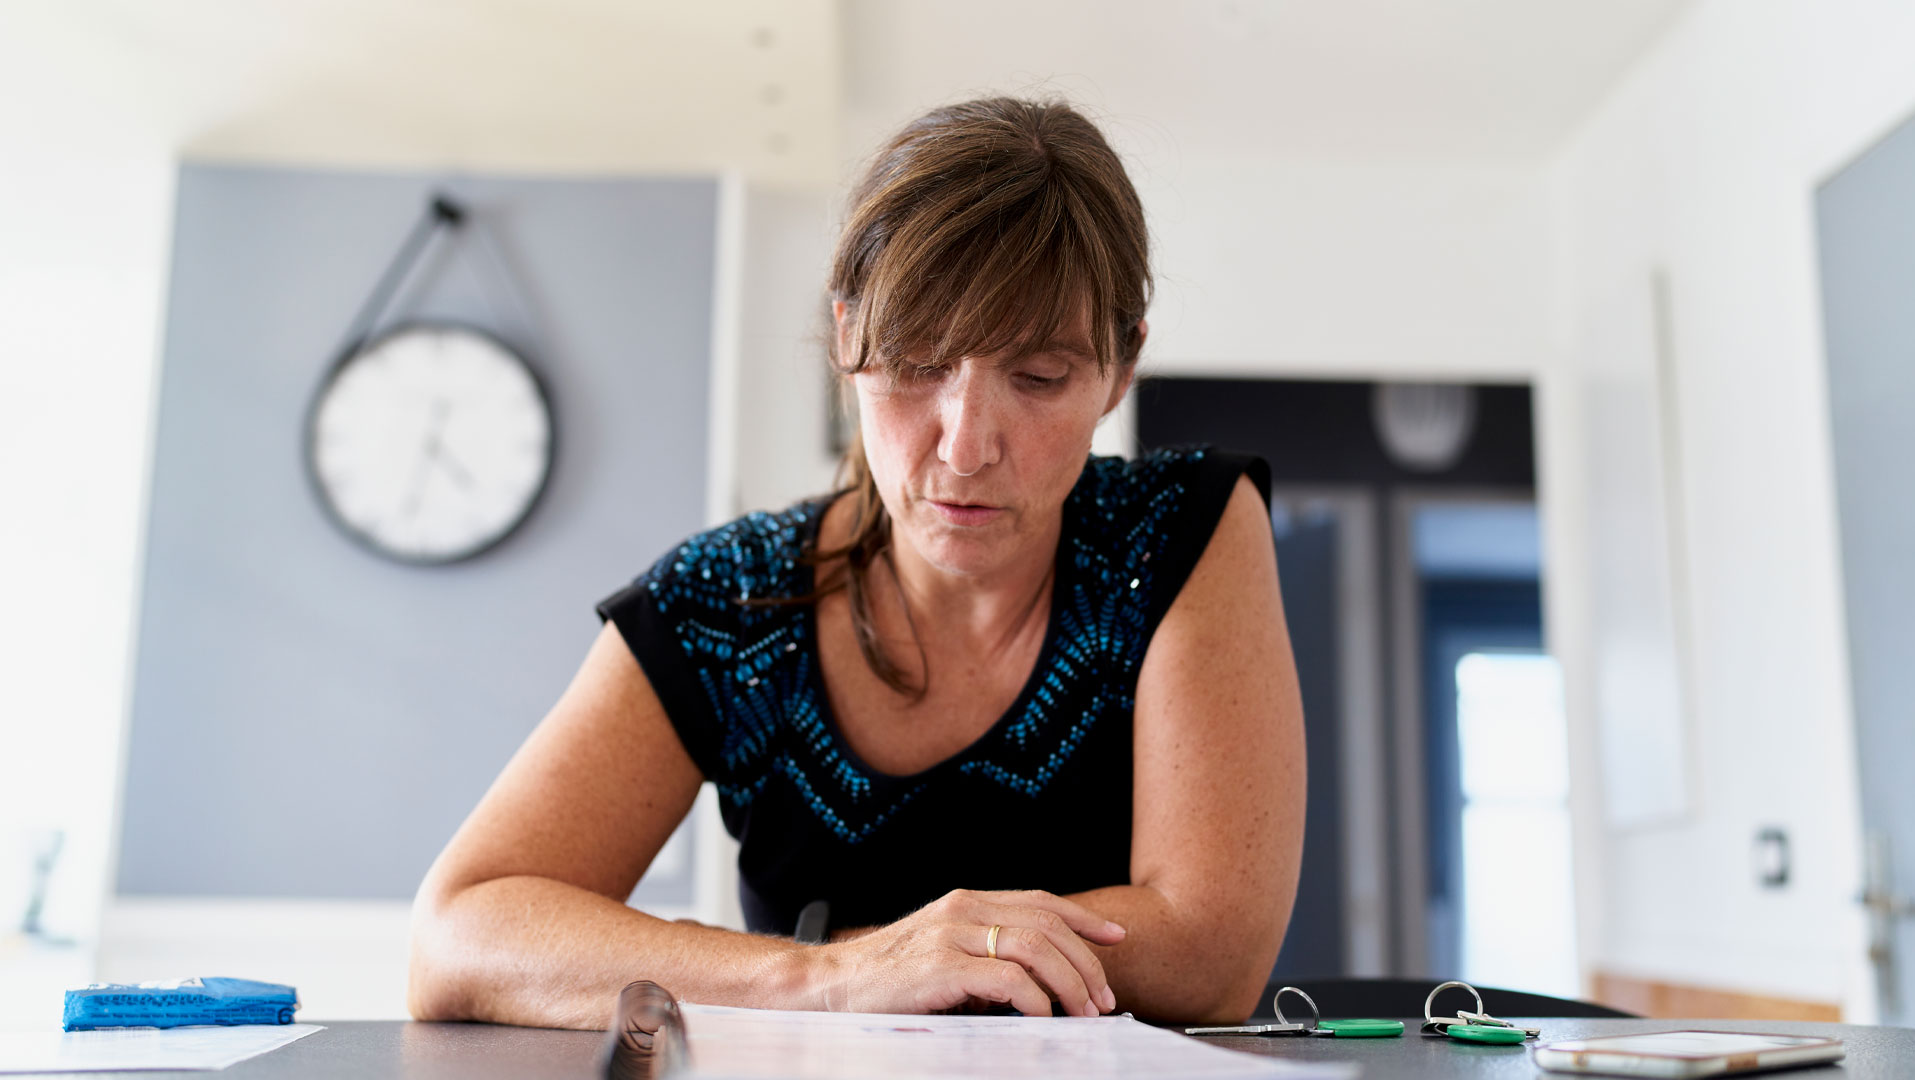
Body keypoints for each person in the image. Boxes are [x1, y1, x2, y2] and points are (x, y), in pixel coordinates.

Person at [407, 96, 1306, 1029]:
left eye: (1038, 378)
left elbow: (1210, 953)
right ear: (847, 339)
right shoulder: (728, 598)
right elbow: (457, 939)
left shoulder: (1181, 528)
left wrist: (913, 958)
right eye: (919, 365)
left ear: (1121, 369)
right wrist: (835, 976)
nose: (965, 446)